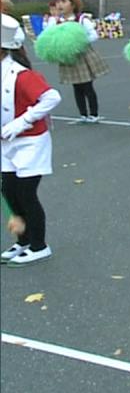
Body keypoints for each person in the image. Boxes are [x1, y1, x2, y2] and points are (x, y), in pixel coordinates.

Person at [1, 13, 62, 267]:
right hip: (6, 142)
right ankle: (23, 239)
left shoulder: (22, 75)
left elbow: (51, 98)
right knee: (8, 190)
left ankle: (39, 245)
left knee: (26, 193)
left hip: (30, 141)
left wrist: (21, 122)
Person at [52, 0, 109, 122]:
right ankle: (83, 114)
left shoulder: (81, 19)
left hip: (82, 56)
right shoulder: (57, 21)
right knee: (76, 86)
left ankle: (94, 114)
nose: (60, 5)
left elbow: (93, 35)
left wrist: (79, 42)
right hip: (68, 57)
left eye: (64, 1)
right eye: (58, 2)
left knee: (87, 85)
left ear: (73, 4)